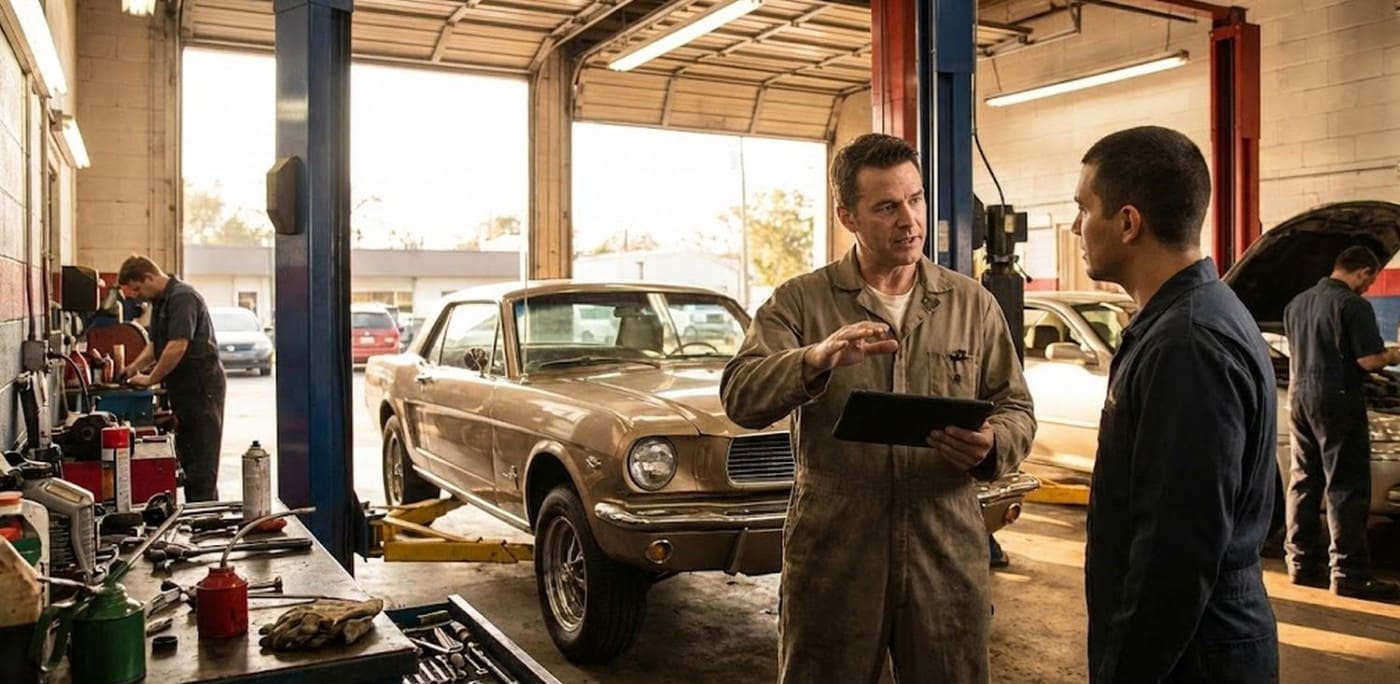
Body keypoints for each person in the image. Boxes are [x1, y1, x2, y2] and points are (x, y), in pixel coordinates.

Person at [720, 133, 1035, 683]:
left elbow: (1017, 408)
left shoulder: (971, 304)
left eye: (915, 199)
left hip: (947, 547)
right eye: (886, 206)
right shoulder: (801, 301)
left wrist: (993, 444)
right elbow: (740, 395)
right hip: (836, 551)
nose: (909, 220)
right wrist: (813, 360)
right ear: (848, 215)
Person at [1074, 126, 1279, 682]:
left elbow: (1177, 556)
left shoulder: (1188, 342)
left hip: (1192, 657)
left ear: (1128, 222)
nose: (1076, 227)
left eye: (1083, 208)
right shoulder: (1187, 317)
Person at [1282, 245, 1400, 600]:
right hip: (1338, 399)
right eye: (1370, 279)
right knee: (1346, 485)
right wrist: (1394, 353)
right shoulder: (1353, 305)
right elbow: (1368, 361)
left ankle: (1301, 564)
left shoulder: (1297, 303)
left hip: (1299, 397)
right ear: (1363, 271)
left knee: (1303, 480)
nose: (1368, 287)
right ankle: (1349, 572)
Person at [116, 255, 227, 502]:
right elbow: (156, 345)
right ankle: (198, 515)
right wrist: (132, 369)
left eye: (137, 289)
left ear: (149, 277)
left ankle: (205, 518)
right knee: (188, 457)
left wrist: (150, 379)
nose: (138, 296)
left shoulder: (182, 297)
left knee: (201, 461)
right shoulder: (160, 301)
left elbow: (178, 345)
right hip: (183, 388)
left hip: (201, 387)